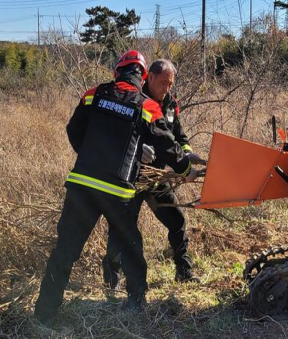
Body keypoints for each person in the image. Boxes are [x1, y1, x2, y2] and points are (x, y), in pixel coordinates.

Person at [34, 51, 197, 325]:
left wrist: (89, 156)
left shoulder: (93, 94)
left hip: (82, 185)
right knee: (131, 247)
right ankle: (136, 304)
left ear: (116, 72)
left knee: (64, 251)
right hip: (118, 190)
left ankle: (43, 315)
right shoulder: (145, 105)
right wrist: (185, 170)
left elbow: (73, 130)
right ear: (144, 77)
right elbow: (168, 144)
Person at [102, 59, 206, 288]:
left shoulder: (170, 104)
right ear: (149, 78)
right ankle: (111, 278)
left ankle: (184, 271)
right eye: (163, 83)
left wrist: (186, 154)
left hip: (157, 177)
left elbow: (178, 137)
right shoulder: (133, 99)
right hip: (133, 176)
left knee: (177, 220)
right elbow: (115, 133)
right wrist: (138, 149)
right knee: (121, 226)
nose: (167, 89)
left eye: (170, 84)